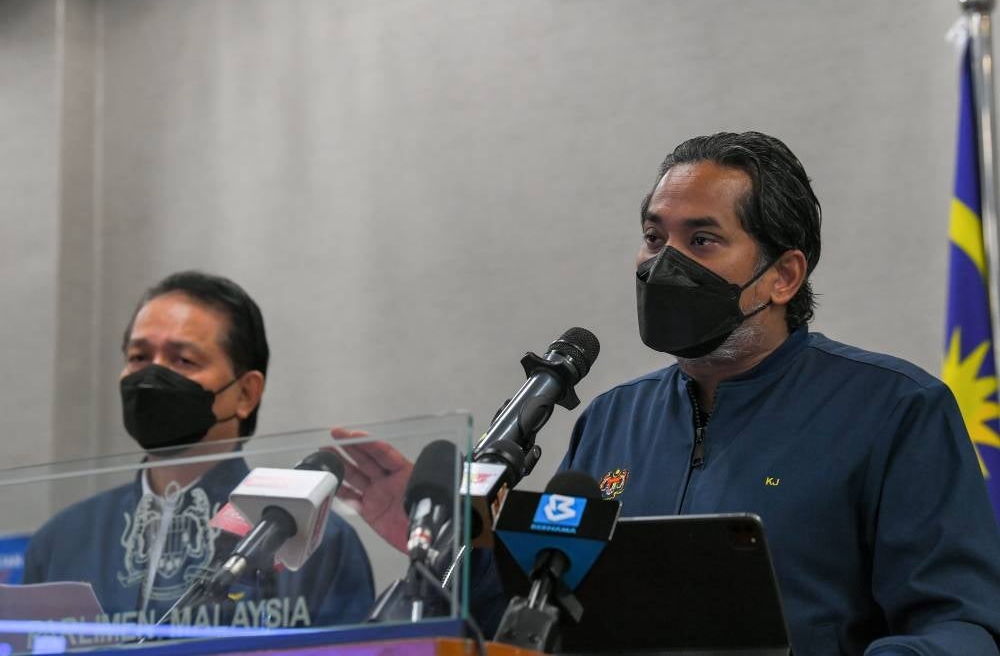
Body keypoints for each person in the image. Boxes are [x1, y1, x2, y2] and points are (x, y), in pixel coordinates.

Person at [333, 132, 1000, 655]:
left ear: (784, 276)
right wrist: (444, 545)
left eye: (701, 240)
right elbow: (536, 611)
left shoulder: (894, 411)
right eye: (655, 237)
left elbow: (959, 626)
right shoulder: (611, 420)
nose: (661, 263)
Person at [24, 271, 374, 632]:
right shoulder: (62, 542)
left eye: (183, 361)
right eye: (139, 356)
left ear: (245, 394)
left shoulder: (309, 541)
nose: (151, 377)